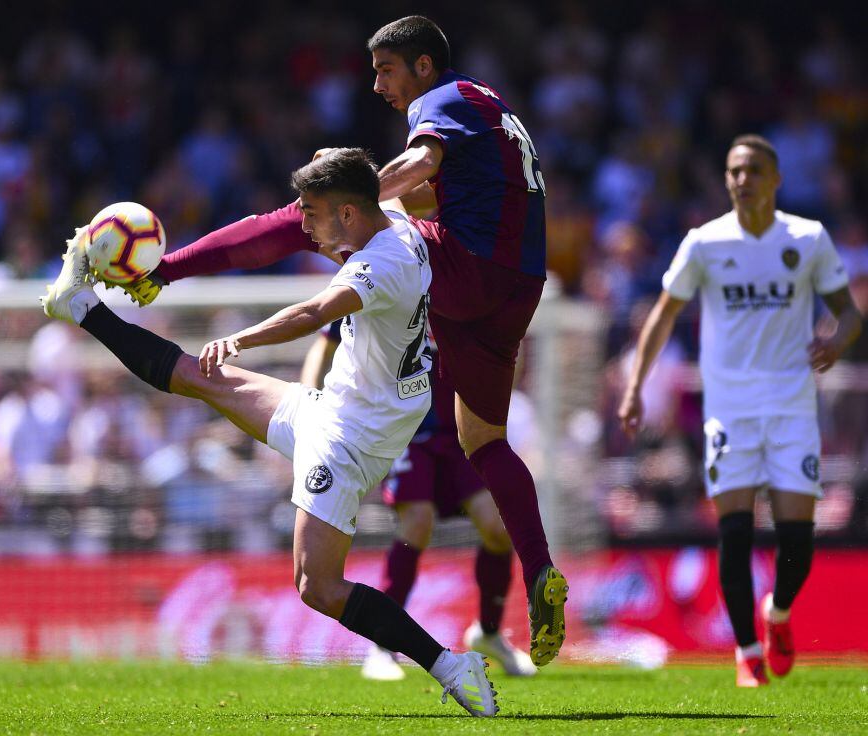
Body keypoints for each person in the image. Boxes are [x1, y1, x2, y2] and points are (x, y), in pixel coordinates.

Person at [93, 15, 567, 668]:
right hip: (519, 285)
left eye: (386, 70)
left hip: (467, 264)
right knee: (482, 440)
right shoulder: (489, 107)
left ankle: (166, 268)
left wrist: (346, 196)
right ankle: (542, 567)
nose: (377, 86)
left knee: (298, 219)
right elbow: (448, 184)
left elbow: (422, 165)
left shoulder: (443, 101)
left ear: (423, 66)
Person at [43, 149, 499, 717]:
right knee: (199, 380)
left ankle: (452, 666)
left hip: (349, 440)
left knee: (317, 587)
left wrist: (242, 339)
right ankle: (79, 305)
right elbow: (328, 210)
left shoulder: (383, 265)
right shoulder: (398, 221)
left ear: (351, 214)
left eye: (311, 212)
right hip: (335, 409)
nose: (303, 225)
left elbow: (313, 312)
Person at [618, 134, 862, 687]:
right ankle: (747, 649)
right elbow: (661, 313)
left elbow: (849, 315)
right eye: (732, 170)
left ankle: (777, 613)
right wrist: (635, 385)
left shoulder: (808, 238)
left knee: (798, 538)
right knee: (733, 530)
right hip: (729, 411)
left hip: (792, 408)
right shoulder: (705, 243)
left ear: (775, 179)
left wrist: (837, 341)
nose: (740, 179)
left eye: (752, 169)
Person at [301, 322, 536, 680]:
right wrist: (309, 404)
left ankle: (487, 634)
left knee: (497, 530)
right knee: (417, 523)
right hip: (403, 430)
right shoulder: (385, 270)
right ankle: (382, 646)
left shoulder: (460, 280)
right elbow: (325, 343)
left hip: (460, 431)